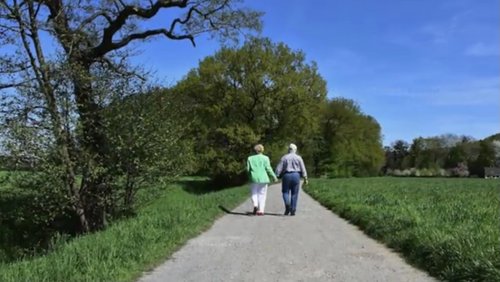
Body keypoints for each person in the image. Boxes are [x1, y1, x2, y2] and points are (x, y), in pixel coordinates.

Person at [275, 143, 308, 216]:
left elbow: (279, 168)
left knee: (285, 192)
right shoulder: (298, 158)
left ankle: (287, 205)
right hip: (296, 175)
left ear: (289, 150)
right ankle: (293, 209)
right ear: (295, 150)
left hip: (286, 175)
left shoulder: (284, 157)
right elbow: (303, 168)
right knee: (294, 193)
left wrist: (276, 176)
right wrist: (305, 178)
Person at [246, 144, 278, 216]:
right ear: (262, 150)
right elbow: (268, 169)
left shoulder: (250, 158)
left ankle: (255, 205)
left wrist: (249, 176)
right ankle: (261, 210)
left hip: (253, 178)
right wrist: (274, 176)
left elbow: (248, 169)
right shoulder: (266, 158)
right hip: (263, 178)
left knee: (254, 193)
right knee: (262, 194)